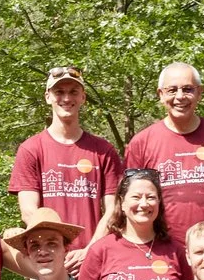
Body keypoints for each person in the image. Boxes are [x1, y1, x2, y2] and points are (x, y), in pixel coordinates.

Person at [9, 65, 122, 258]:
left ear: (83, 97)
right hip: (46, 257)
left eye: (73, 92)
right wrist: (54, 250)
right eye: (59, 92)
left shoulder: (103, 150)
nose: (67, 98)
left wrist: (90, 251)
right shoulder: (31, 149)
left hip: (94, 258)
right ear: (48, 97)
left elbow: (114, 209)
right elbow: (29, 211)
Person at [122, 62, 204, 242]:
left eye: (187, 89)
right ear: (160, 95)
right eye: (171, 90)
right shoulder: (141, 143)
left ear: (199, 93)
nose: (180, 97)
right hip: (161, 247)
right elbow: (127, 202)